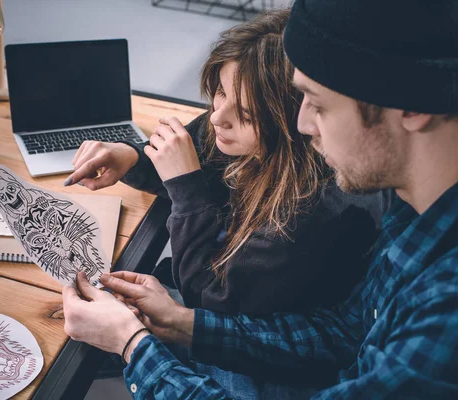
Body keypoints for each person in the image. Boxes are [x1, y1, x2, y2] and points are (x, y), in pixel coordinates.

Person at [62, 0, 458, 399]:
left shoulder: (443, 317)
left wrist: (134, 346)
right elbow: (344, 333)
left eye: (318, 105)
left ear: (411, 106)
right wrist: (183, 323)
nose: (302, 124)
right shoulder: (413, 215)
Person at [64, 10, 388, 317]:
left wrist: (185, 189)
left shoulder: (304, 214)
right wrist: (132, 156)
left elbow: (207, 296)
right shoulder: (237, 124)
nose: (217, 117)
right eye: (219, 92)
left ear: (296, 121)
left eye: (245, 114)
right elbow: (189, 156)